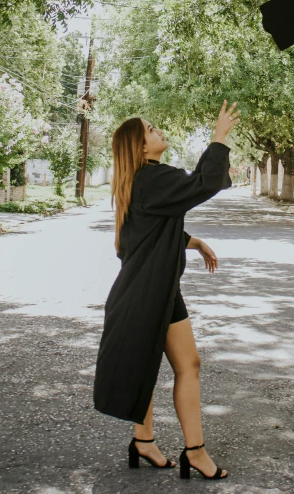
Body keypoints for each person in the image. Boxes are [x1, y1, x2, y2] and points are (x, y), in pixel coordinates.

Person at [93, 100, 240, 480]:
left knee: (186, 364)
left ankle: (151, 443)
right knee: (162, 366)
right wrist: (219, 138)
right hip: (144, 295)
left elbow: (149, 231)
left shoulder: (144, 180)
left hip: (156, 290)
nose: (159, 131)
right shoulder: (150, 179)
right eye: (151, 129)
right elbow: (203, 183)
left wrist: (193, 242)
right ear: (140, 147)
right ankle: (193, 452)